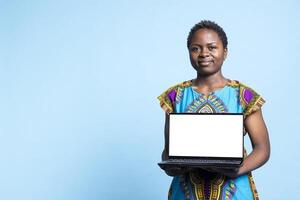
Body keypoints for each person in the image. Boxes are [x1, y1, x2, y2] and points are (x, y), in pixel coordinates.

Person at [157, 20, 270, 200]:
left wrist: (237, 170)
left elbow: (262, 148)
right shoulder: (175, 96)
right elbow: (168, 150)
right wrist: (171, 166)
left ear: (225, 52)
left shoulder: (244, 96)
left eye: (212, 47)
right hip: (187, 191)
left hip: (233, 190)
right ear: (189, 52)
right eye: (196, 48)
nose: (204, 54)